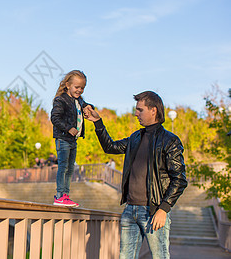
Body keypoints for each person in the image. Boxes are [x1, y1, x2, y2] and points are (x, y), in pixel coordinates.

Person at [83, 91, 188, 259]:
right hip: (130, 210)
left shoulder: (170, 140)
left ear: (153, 110)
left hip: (154, 212)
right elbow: (110, 147)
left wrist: (164, 209)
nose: (136, 114)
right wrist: (97, 122)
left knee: (160, 256)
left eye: (140, 110)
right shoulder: (135, 138)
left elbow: (180, 180)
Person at [51, 70, 92, 207]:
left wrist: (88, 107)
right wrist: (68, 128)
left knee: (70, 168)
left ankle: (66, 195)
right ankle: (59, 195)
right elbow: (55, 118)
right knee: (63, 167)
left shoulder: (78, 100)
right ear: (68, 85)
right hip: (63, 139)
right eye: (77, 87)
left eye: (82, 88)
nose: (79, 90)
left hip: (73, 140)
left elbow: (86, 104)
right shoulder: (61, 100)